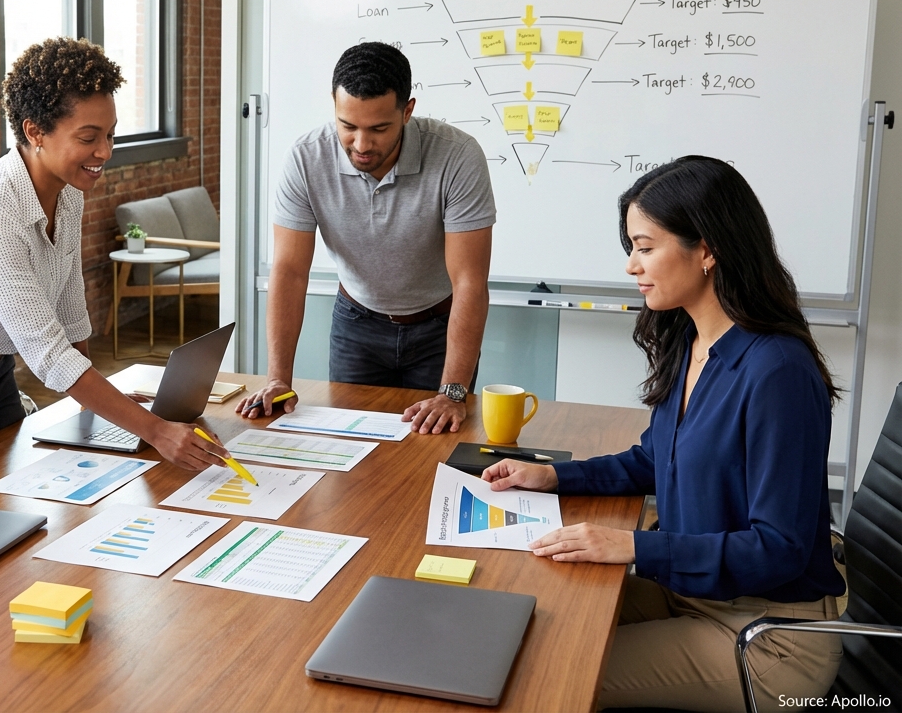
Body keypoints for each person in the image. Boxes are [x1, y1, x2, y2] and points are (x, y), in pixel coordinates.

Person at [483, 156, 845, 711]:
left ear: (707, 249)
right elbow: (653, 460)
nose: (632, 266)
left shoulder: (778, 373)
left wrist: (632, 547)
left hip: (767, 638)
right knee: (526, 612)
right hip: (693, 598)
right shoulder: (693, 342)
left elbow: (781, 549)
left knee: (545, 674)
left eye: (645, 247)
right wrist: (552, 475)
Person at [0, 37, 228, 471]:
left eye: (110, 135)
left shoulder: (68, 193)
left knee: (6, 496)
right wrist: (155, 430)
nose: (105, 153)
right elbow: (48, 355)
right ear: (35, 131)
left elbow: (71, 307)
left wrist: (96, 404)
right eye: (88, 137)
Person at [238, 42, 495, 434]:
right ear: (334, 106)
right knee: (352, 450)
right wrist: (278, 378)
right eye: (348, 126)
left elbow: (469, 282)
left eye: (378, 128)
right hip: (357, 326)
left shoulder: (457, 157)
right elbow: (290, 271)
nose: (361, 144)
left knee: (431, 452)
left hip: (437, 328)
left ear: (407, 111)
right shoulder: (306, 158)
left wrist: (453, 392)